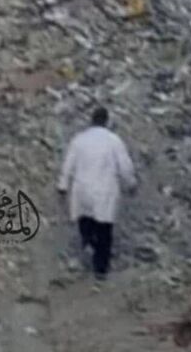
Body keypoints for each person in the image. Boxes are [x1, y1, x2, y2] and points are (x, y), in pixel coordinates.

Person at [58, 106, 136, 279]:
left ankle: (88, 244)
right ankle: (100, 268)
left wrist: (62, 186)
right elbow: (125, 166)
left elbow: (68, 165)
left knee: (85, 221)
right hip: (105, 191)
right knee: (104, 231)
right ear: (107, 121)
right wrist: (131, 184)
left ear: (91, 120)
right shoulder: (114, 141)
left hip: (82, 190)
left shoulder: (79, 139)